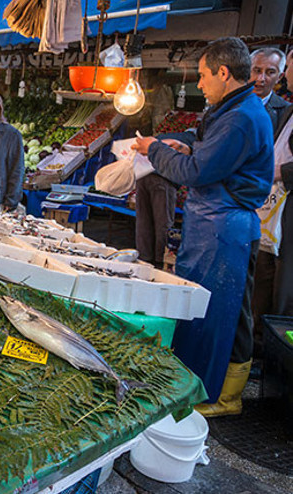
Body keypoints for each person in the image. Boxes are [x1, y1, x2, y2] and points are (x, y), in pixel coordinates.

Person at [132, 37, 274, 415]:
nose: (199, 84)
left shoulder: (242, 117)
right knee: (211, 310)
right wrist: (186, 145)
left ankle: (214, 396)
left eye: (203, 75)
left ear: (223, 74)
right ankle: (203, 387)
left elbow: (194, 173)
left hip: (225, 231)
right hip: (212, 225)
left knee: (216, 314)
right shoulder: (231, 110)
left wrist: (155, 150)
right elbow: (205, 152)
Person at [253, 48, 293, 362]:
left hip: (286, 210)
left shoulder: (282, 108)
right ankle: (256, 348)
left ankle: (273, 356)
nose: (263, 78)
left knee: (283, 285)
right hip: (269, 207)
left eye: (275, 71)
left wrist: (280, 172)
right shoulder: (290, 111)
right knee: (263, 277)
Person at [250, 48, 290, 132]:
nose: (261, 78)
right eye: (257, 71)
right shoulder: (228, 102)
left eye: (270, 72)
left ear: (279, 77)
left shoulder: (286, 112)